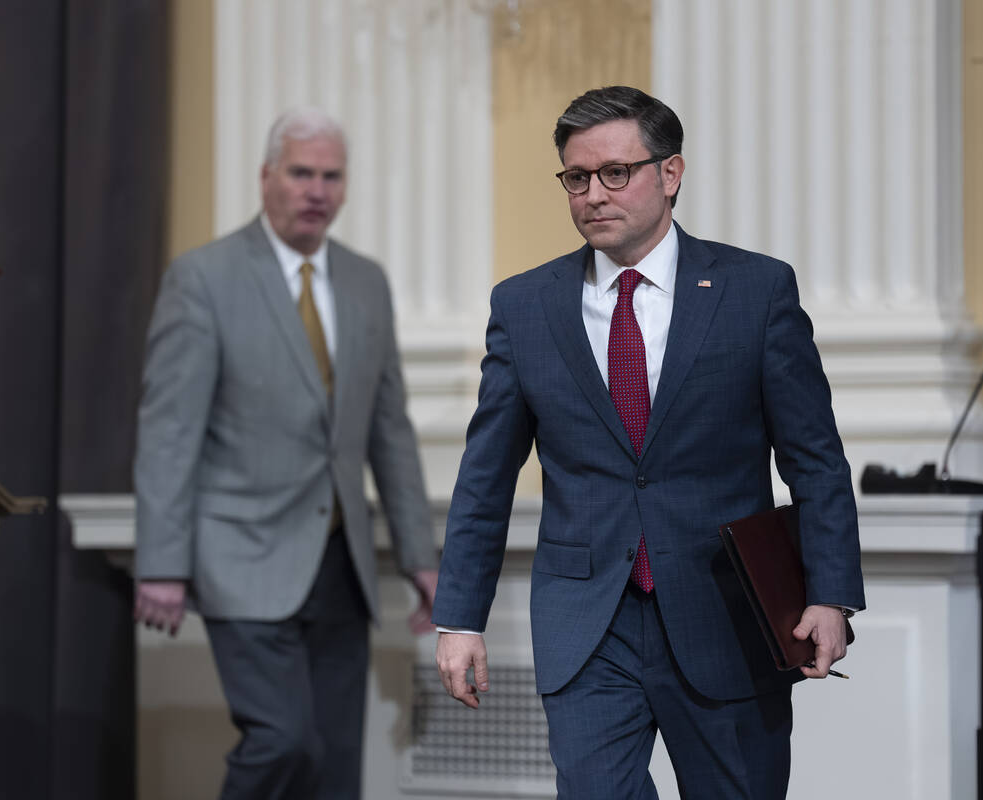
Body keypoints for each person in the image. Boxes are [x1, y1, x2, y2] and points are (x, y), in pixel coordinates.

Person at [432, 86, 865, 798]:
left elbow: (815, 459)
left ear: (670, 173)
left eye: (615, 172)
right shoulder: (524, 306)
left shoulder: (754, 291)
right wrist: (458, 618)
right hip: (587, 622)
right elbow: (486, 476)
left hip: (727, 612)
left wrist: (831, 593)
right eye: (577, 177)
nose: (593, 194)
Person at [132, 107, 438, 800]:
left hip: (341, 561)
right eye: (301, 173)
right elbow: (169, 432)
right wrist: (160, 562)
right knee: (283, 739)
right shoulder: (203, 278)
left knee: (333, 764)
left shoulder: (366, 281)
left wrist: (422, 559)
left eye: (331, 176)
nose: (316, 190)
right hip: (238, 552)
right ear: (267, 176)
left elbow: (388, 428)